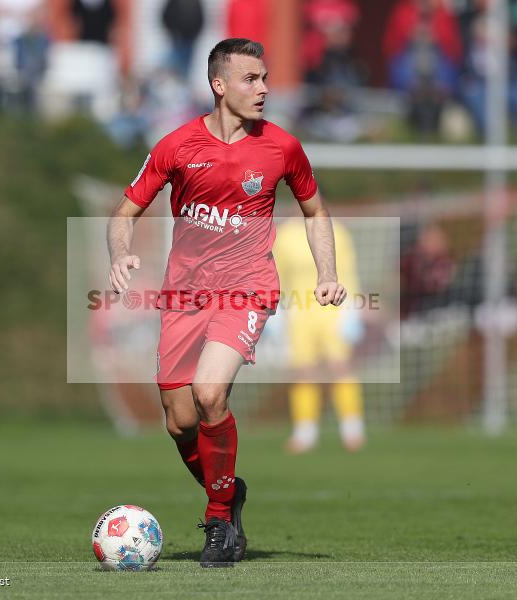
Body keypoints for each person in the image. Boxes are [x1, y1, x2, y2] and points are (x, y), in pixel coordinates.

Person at [106, 39, 346, 567]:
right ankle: (228, 490)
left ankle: (218, 519)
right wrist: (120, 255)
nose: (263, 89)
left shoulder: (282, 147)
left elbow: (315, 211)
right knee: (178, 419)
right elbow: (124, 214)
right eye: (250, 79)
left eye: (264, 78)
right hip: (184, 294)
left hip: (247, 289)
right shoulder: (175, 146)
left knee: (209, 393)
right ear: (220, 85)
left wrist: (327, 272)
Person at [274, 217, 365, 454]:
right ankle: (305, 432)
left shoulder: (338, 231)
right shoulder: (285, 234)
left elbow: (348, 271)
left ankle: (352, 429)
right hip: (299, 311)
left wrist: (352, 307)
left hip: (333, 309)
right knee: (303, 370)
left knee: (340, 366)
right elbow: (278, 273)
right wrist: (275, 310)